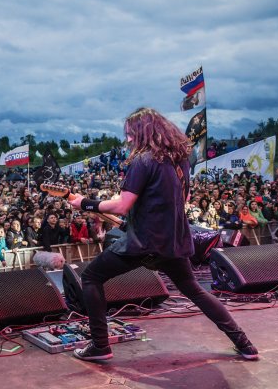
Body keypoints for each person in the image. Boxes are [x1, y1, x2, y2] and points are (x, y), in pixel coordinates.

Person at [68, 107, 258, 361]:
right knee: (195, 291)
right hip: (173, 240)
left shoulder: (143, 160)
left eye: (130, 134)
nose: (128, 139)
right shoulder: (180, 160)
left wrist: (85, 203)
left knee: (91, 277)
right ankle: (244, 344)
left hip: (144, 242)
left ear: (143, 132)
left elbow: (123, 205)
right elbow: (183, 198)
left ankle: (100, 346)